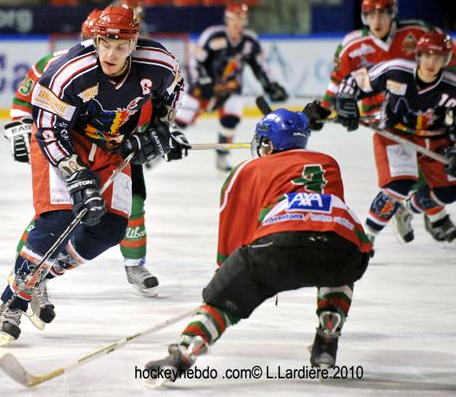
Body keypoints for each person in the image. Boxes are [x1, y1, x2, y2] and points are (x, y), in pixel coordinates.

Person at [0, 5, 189, 346]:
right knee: (57, 220)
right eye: (104, 44)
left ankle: (39, 277)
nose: (111, 53)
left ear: (135, 43)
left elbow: (173, 90)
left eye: (122, 46)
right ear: (93, 40)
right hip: (66, 141)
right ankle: (12, 304)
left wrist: (160, 129)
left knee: (109, 228)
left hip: (112, 149)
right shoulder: (69, 71)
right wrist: (75, 175)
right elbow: (49, 128)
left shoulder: (159, 63)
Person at [144, 109, 371, 383]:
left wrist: (225, 282)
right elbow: (322, 222)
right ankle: (328, 337)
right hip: (347, 248)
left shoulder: (249, 168)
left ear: (269, 143)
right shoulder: (329, 162)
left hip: (280, 245)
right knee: (336, 263)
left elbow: (234, 229)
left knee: (221, 304)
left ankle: (183, 354)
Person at [312, 0, 456, 243]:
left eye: (382, 14)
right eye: (371, 15)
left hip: (431, 125)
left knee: (444, 184)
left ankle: (420, 212)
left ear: (393, 13)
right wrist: (328, 108)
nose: (377, 20)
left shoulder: (419, 32)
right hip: (389, 122)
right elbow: (342, 82)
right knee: (402, 180)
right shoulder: (354, 45)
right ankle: (420, 220)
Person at [174, 1, 288, 172]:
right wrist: (201, 81)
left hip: (230, 89)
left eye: (241, 21)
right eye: (233, 20)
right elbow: (195, 61)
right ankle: (158, 152)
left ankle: (222, 156)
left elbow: (260, 67)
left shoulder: (250, 41)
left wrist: (271, 86)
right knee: (180, 121)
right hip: (204, 87)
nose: (237, 25)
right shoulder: (213, 35)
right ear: (227, 20)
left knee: (231, 120)